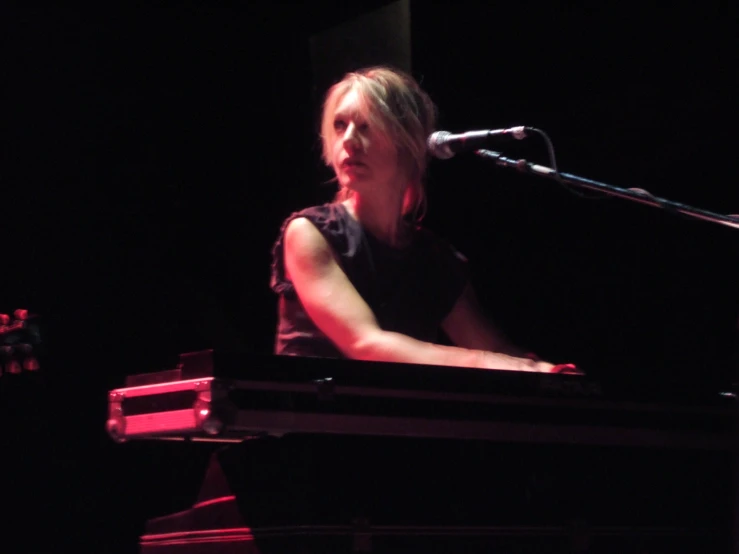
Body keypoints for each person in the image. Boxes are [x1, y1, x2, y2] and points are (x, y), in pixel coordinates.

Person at [270, 66, 578, 374]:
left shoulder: (433, 258)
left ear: (408, 141)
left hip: (393, 420)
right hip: (313, 418)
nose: (348, 140)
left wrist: (547, 371)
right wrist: (489, 362)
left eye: (366, 126)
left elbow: (494, 349)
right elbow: (366, 343)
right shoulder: (310, 233)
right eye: (340, 125)